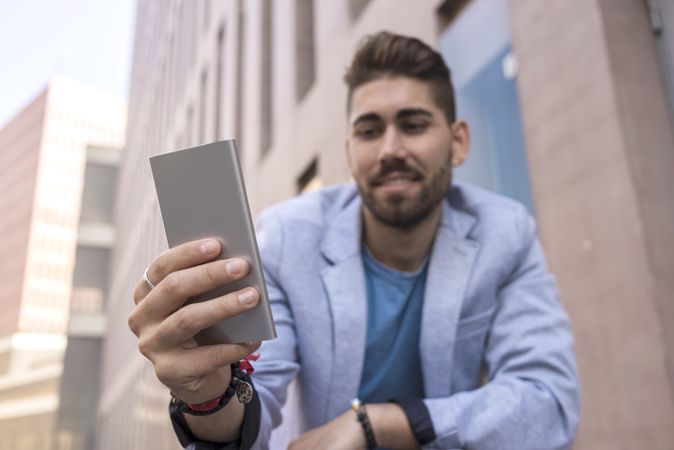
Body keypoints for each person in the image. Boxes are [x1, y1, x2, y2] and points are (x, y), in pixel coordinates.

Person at [128, 31, 580, 450]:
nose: (390, 150)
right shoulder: (288, 238)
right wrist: (208, 396)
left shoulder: (506, 233)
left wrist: (374, 424)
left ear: (458, 141)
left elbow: (549, 402)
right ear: (349, 152)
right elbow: (251, 413)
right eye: (369, 130)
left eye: (414, 124)